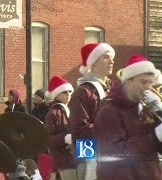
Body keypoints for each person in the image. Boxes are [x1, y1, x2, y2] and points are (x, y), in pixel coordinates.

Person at [94, 54, 162, 180]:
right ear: (129, 81)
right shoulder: (109, 111)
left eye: (150, 83)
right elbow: (115, 155)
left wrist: (160, 111)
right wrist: (154, 136)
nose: (148, 88)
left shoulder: (145, 108)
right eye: (143, 82)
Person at [69, 43, 115, 180]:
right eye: (106, 57)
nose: (112, 62)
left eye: (112, 58)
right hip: (89, 155)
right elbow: (79, 130)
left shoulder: (114, 89)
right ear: (93, 63)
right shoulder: (82, 92)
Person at [44, 75, 78, 180]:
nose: (68, 94)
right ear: (56, 95)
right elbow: (47, 140)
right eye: (64, 92)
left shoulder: (72, 109)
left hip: (75, 159)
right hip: (65, 161)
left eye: (69, 91)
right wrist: (66, 138)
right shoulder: (53, 113)